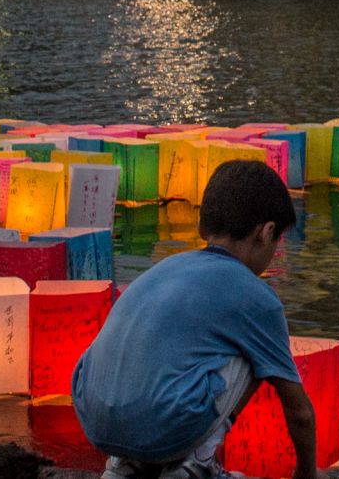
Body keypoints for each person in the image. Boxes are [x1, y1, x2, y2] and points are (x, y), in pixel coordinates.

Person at [75, 161, 317, 479]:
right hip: (165, 428)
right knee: (257, 352)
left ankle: (126, 465)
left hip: (94, 420)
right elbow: (299, 413)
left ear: (204, 226)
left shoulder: (164, 269)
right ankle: (195, 463)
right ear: (266, 232)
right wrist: (306, 474)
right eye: (277, 242)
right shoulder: (256, 296)